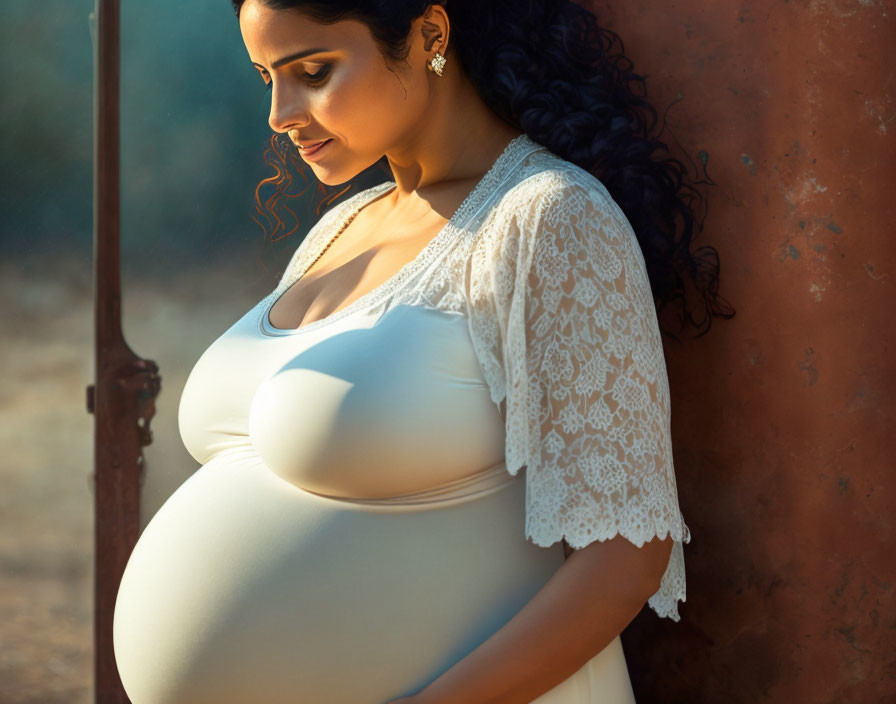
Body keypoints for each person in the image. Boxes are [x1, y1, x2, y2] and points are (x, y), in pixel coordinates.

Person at [112, 1, 730, 702]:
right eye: (265, 79)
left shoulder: (547, 216)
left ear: (429, 35)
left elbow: (625, 556)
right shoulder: (344, 225)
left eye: (312, 72)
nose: (279, 114)